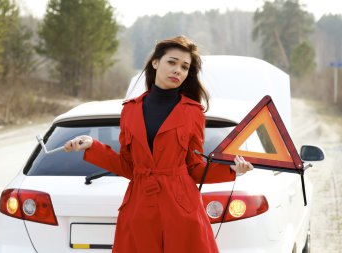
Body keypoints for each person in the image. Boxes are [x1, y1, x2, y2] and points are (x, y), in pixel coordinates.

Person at [64, 35, 253, 253]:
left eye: (184, 67)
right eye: (172, 62)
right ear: (156, 63)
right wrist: (92, 146)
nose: (178, 71)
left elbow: (194, 168)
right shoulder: (130, 110)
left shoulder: (193, 113)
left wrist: (230, 169)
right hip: (139, 208)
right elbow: (128, 167)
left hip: (181, 209)